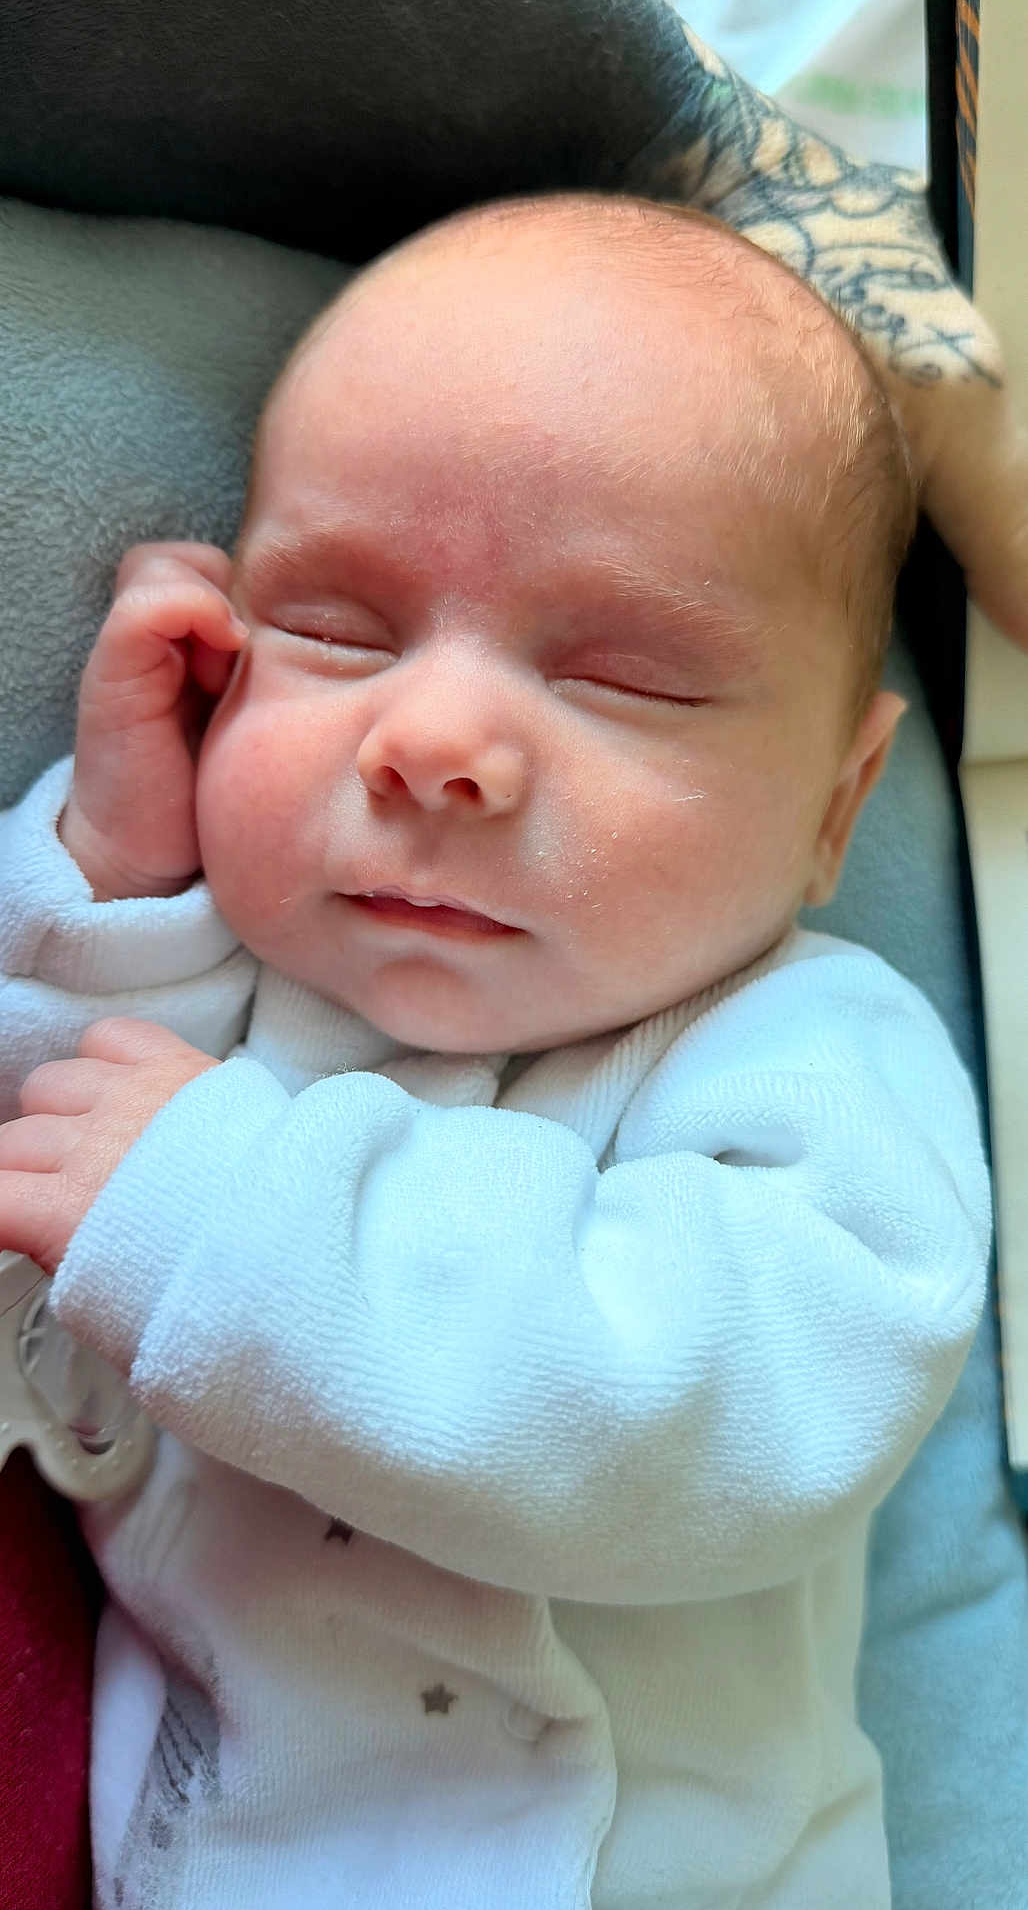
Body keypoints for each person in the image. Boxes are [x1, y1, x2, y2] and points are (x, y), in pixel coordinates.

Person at [0, 193, 992, 1909]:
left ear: (838, 809)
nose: (435, 738)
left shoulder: (815, 1058)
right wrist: (125, 875)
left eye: (623, 680)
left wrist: (226, 1218)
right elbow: (65, 1291)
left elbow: (729, 1418)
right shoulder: (238, 1007)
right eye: (339, 635)